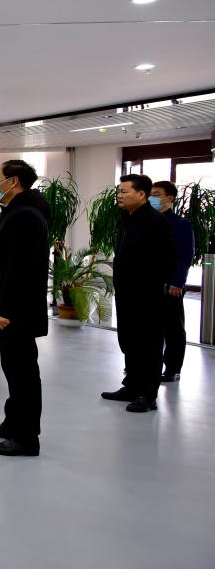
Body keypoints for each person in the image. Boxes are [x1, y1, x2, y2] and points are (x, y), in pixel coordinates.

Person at [0, 160, 51, 457]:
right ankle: (13, 423)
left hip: (16, 313)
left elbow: (20, 269)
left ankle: (25, 438)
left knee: (23, 374)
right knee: (14, 370)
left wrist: (5, 309)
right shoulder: (14, 211)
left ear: (14, 181)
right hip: (11, 310)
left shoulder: (25, 215)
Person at [102, 174, 175, 413]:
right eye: (119, 192)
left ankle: (148, 394)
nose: (120, 196)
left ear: (141, 194)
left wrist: (151, 283)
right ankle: (132, 386)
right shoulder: (126, 218)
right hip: (126, 292)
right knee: (129, 340)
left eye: (125, 192)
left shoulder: (155, 222)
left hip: (147, 295)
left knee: (148, 344)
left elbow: (167, 259)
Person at [150, 181, 194, 383]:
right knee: (151, 327)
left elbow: (185, 256)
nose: (152, 198)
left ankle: (172, 368)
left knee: (173, 327)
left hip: (170, 285)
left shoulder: (180, 224)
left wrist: (178, 282)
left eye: (157, 194)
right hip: (149, 283)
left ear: (170, 198)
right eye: (151, 194)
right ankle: (149, 365)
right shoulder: (148, 221)